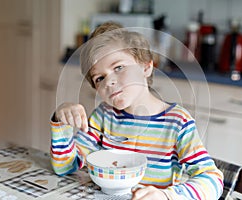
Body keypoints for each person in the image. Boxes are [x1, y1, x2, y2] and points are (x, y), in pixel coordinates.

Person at [50, 21, 223, 200]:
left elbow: (213, 180)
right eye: (100, 78)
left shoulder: (177, 122)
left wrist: (166, 196)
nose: (109, 82)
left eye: (118, 67)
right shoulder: (103, 117)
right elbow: (65, 167)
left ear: (146, 67)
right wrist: (61, 123)